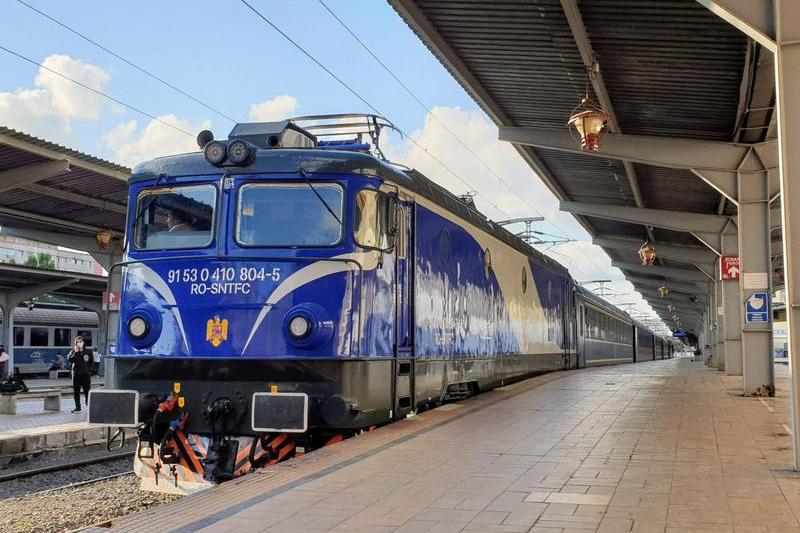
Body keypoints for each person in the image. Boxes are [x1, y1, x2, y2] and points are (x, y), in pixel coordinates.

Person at [68, 336, 93, 413]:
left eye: (80, 342)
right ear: (76, 343)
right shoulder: (73, 351)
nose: (79, 343)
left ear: (83, 342)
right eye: (77, 342)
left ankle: (88, 406)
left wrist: (90, 371)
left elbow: (92, 362)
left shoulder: (88, 352)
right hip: (76, 374)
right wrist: (76, 352)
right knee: (76, 392)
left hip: (86, 375)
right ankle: (78, 407)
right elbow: (70, 360)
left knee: (87, 391)